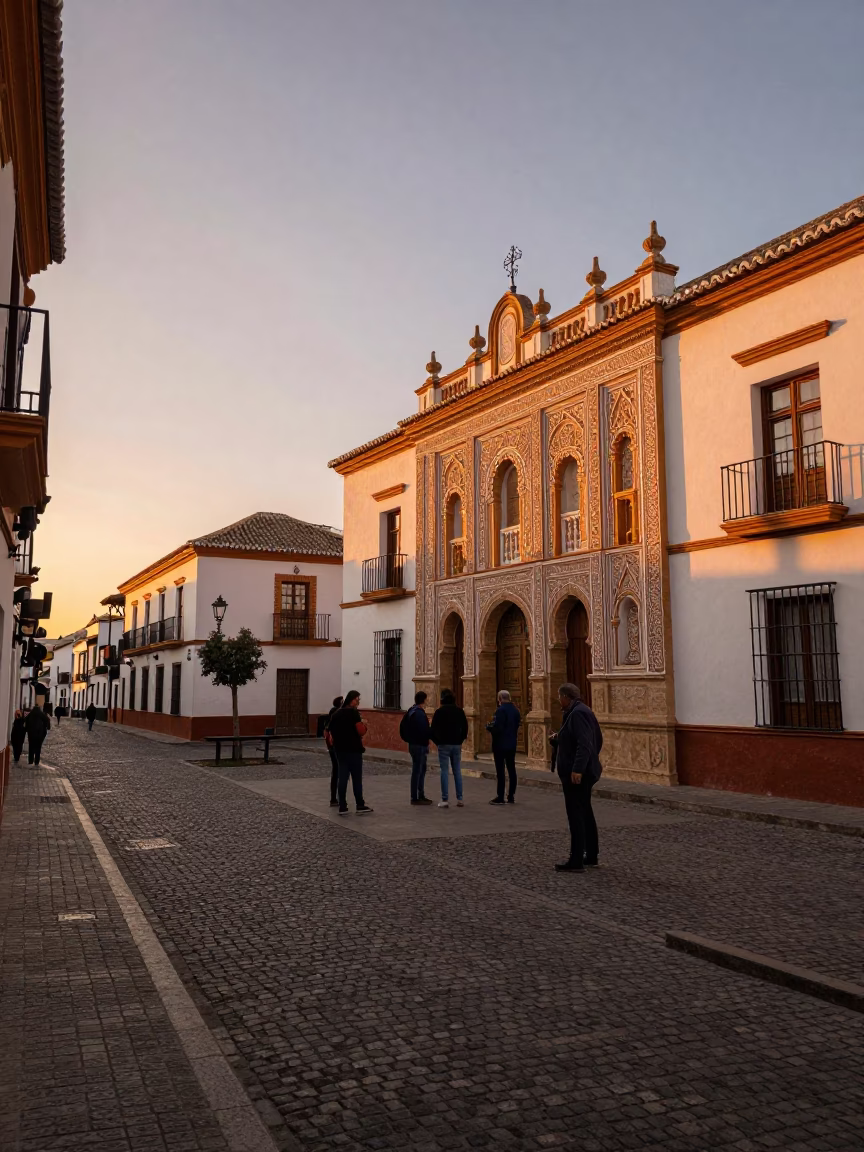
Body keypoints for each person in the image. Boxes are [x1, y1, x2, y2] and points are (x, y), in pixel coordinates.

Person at [553, 683, 603, 872]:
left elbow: (585, 744)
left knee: (575, 815)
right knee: (585, 812)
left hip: (577, 774)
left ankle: (576, 860)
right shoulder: (581, 711)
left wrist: (578, 769)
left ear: (566, 696)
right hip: (583, 770)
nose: (559, 700)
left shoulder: (578, 713)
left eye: (560, 696)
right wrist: (559, 739)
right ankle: (591, 854)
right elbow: (593, 739)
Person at [328, 690, 373, 815]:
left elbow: (330, 732)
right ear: (351, 699)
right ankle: (360, 804)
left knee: (342, 777)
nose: (358, 701)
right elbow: (361, 731)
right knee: (356, 778)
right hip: (353, 749)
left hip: (340, 750)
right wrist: (365, 725)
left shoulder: (336, 714)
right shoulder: (353, 713)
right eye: (357, 699)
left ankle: (342, 806)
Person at [429, 689, 468, 808]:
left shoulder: (439, 712)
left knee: (444, 771)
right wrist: (460, 740)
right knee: (457, 771)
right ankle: (460, 798)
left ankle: (445, 799)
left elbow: (433, 730)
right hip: (456, 744)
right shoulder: (459, 711)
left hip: (444, 744)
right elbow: (465, 728)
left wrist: (438, 742)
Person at [486, 689, 521, 805]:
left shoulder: (500, 711)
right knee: (512, 769)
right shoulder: (516, 711)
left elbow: (498, 728)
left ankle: (500, 796)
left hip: (500, 744)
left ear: (500, 699)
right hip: (512, 743)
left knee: (500, 771)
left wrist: (490, 728)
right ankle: (511, 795)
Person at [400, 691, 432, 805]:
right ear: (423, 699)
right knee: (418, 771)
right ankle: (417, 796)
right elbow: (423, 730)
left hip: (413, 744)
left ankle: (418, 794)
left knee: (418, 770)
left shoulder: (411, 710)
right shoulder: (418, 713)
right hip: (419, 745)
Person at [324, 695, 343, 806]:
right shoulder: (337, 714)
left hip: (332, 747)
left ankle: (334, 798)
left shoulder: (330, 717)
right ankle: (337, 798)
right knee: (339, 771)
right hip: (336, 747)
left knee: (336, 771)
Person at [25, 703, 51, 767]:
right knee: (38, 748)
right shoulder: (41, 714)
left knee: (31, 747)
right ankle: (36, 761)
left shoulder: (31, 713)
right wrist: (45, 728)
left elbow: (25, 720)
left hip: (31, 734)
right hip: (39, 734)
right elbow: (47, 720)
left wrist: (27, 729)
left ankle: (30, 760)